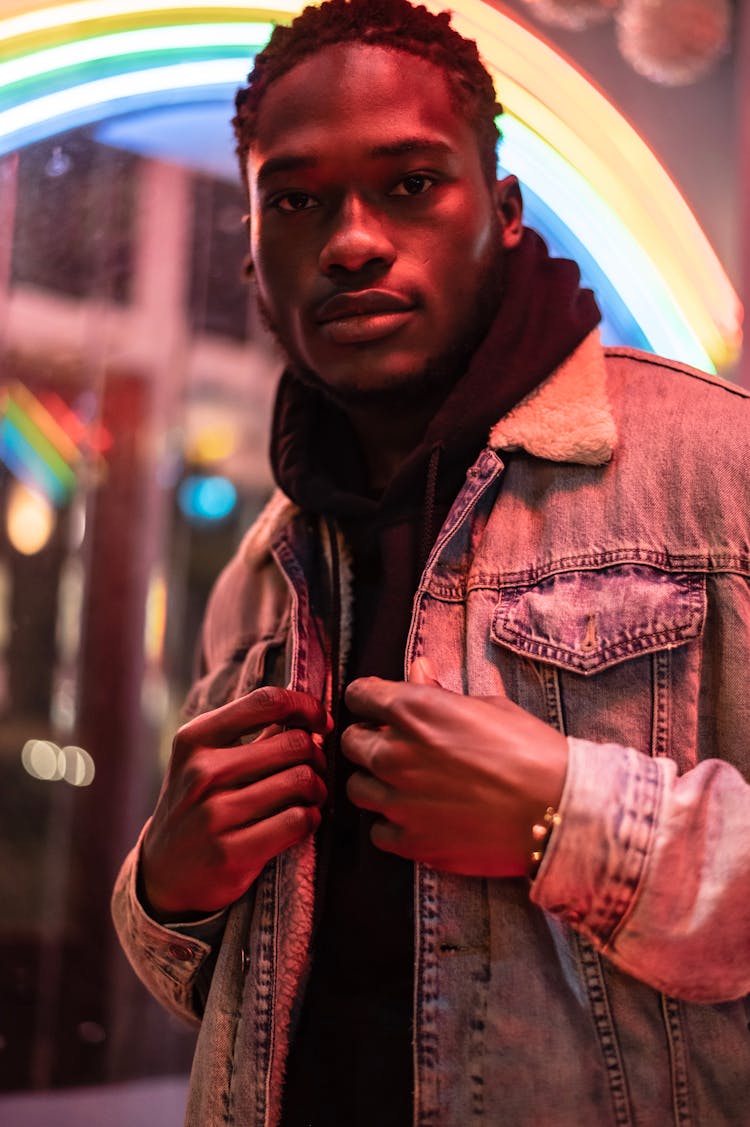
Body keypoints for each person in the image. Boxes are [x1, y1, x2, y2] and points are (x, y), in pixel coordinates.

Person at [112, 0, 750, 1123]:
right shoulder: (268, 565)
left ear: (502, 211)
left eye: (408, 183)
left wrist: (570, 817)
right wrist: (163, 887)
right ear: (254, 253)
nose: (351, 239)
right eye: (297, 200)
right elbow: (236, 997)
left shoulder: (718, 473)